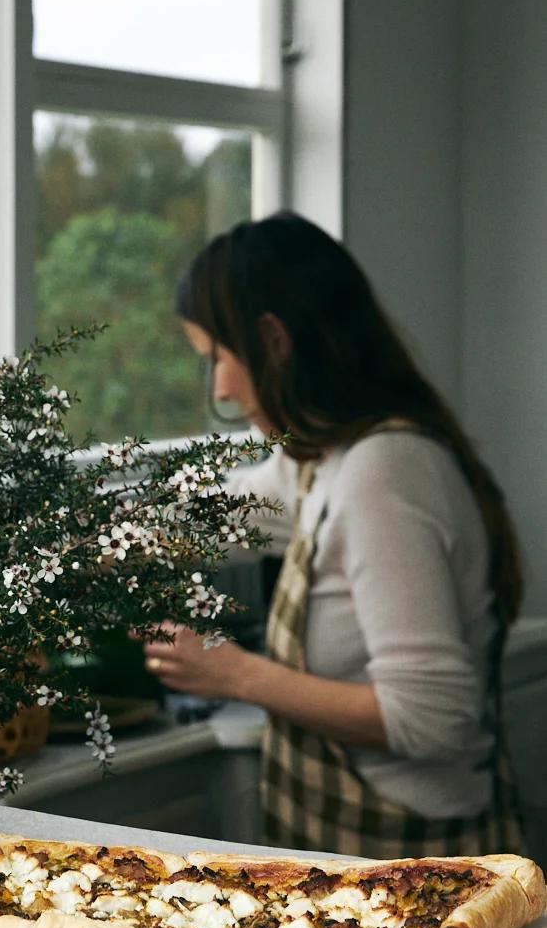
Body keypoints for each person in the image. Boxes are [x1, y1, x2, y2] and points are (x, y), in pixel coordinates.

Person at [142, 211, 524, 858]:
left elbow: (432, 721)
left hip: (416, 858)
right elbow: (209, 515)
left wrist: (233, 675)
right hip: (349, 852)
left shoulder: (385, 473)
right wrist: (59, 532)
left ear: (272, 340)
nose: (221, 390)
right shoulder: (321, 460)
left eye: (216, 359)